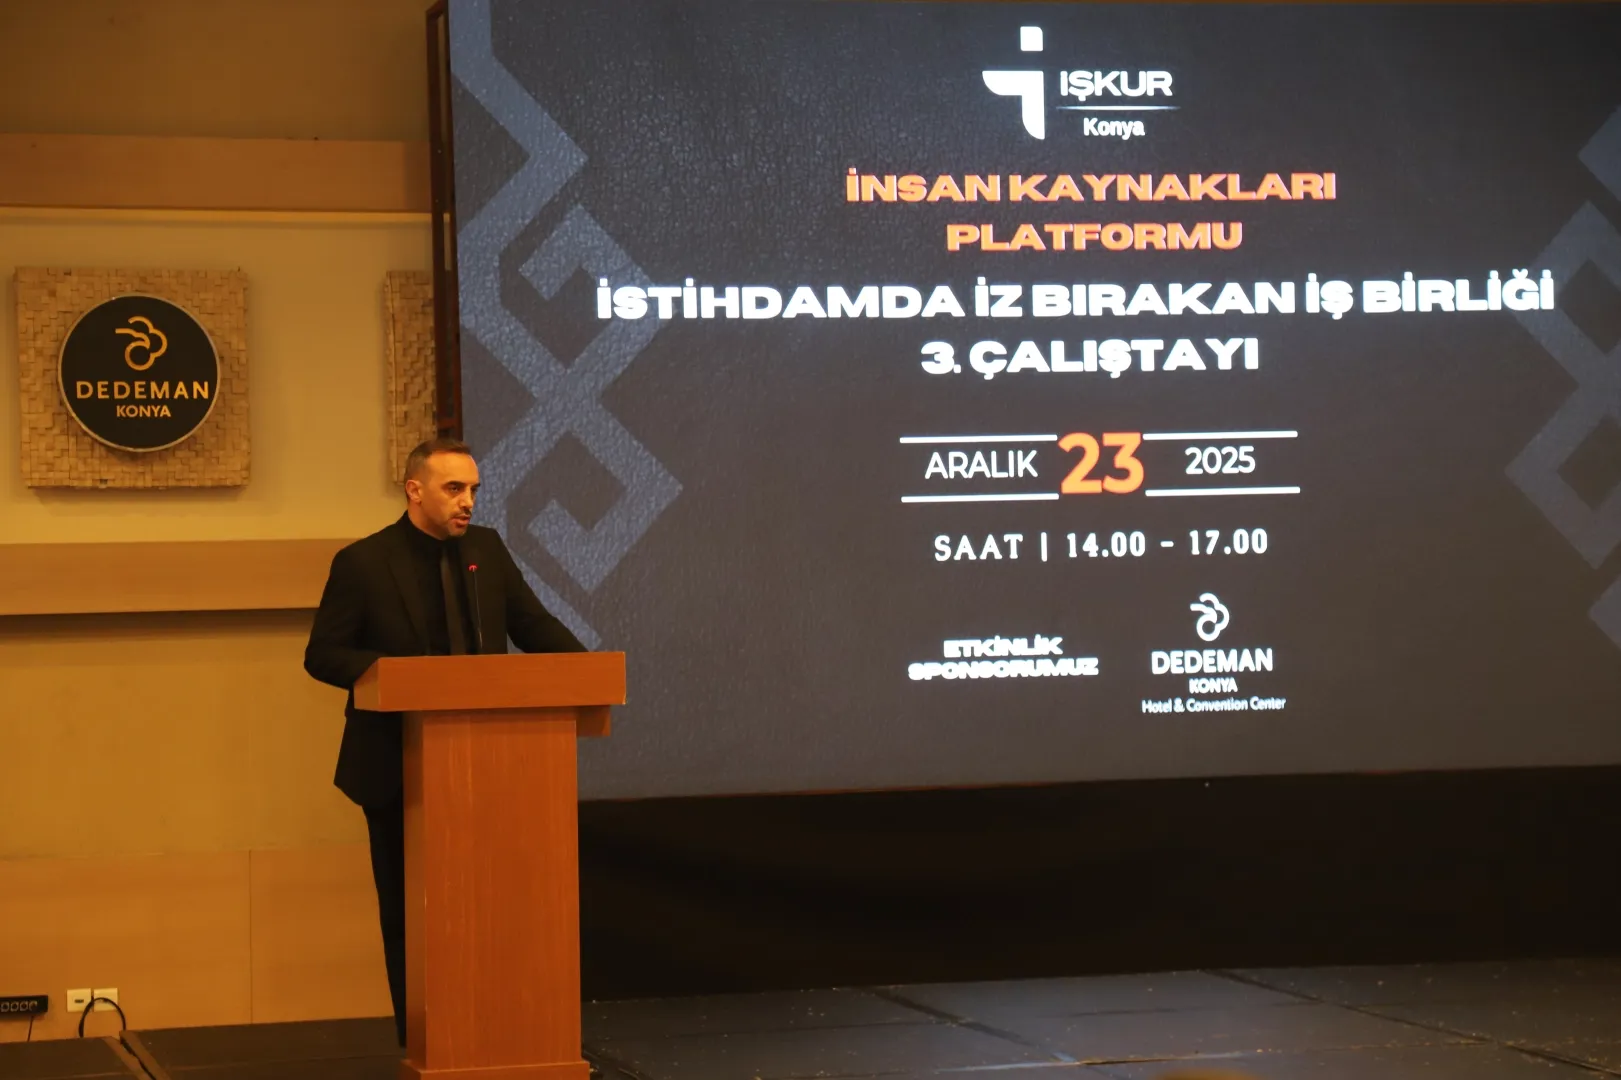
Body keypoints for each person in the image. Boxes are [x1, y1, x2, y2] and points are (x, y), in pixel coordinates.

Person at [303, 436, 584, 1047]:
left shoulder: (486, 550)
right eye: (454, 489)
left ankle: (494, 1033)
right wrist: (396, 676)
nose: (468, 502)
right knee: (412, 912)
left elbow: (532, 624)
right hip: (398, 768)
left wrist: (586, 671)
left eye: (474, 490)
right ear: (415, 490)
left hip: (489, 766)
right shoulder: (363, 562)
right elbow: (322, 654)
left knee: (491, 908)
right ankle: (425, 1041)